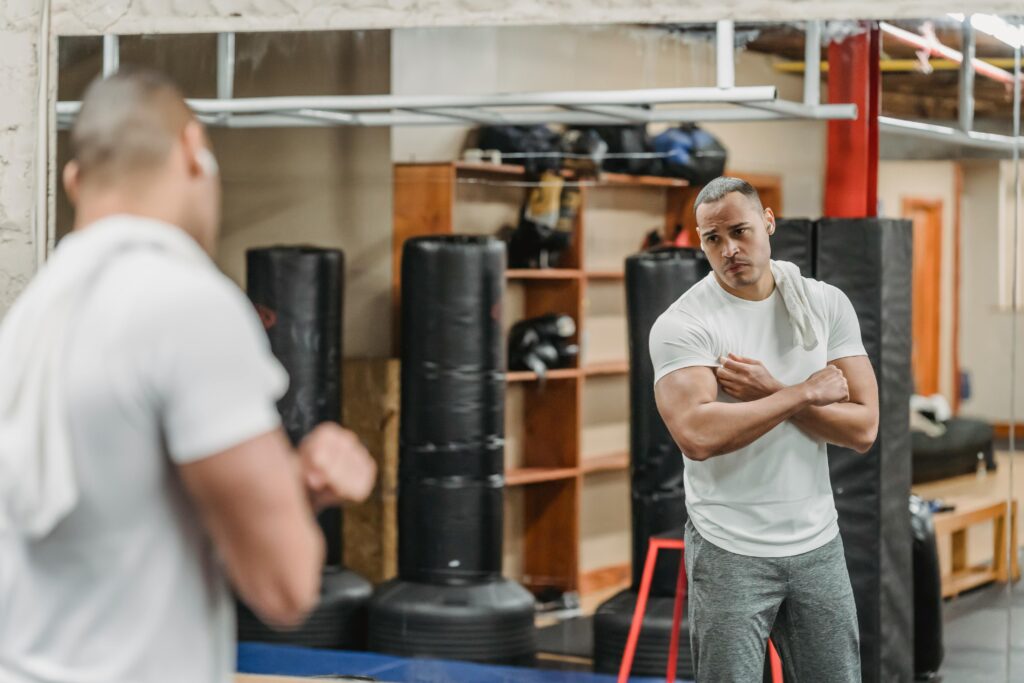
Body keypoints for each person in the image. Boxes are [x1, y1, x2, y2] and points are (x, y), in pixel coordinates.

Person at [0, 70, 376, 683]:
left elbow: (120, 514)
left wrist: (292, 484)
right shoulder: (184, 303)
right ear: (191, 150)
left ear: (74, 181)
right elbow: (284, 585)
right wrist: (295, 497)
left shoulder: (30, 319)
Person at [650, 177, 879, 682]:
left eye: (741, 231)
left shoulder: (823, 303)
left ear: (768, 222)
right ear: (700, 241)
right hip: (729, 546)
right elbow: (697, 434)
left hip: (818, 541)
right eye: (714, 239)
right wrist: (797, 392)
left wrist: (769, 389)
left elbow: (863, 427)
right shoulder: (685, 323)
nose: (730, 249)